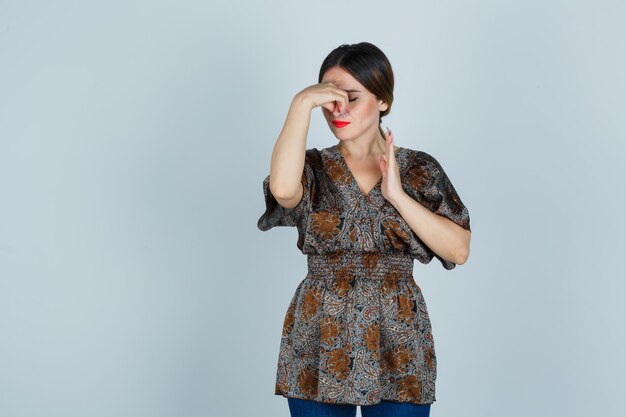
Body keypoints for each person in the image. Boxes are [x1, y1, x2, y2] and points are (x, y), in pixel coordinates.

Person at [257, 42, 471, 417]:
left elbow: (459, 250)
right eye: (328, 99)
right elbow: (283, 190)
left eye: (351, 98)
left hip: (398, 334)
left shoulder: (418, 168)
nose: (338, 110)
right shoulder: (312, 169)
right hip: (320, 332)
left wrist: (399, 196)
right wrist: (300, 103)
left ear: (383, 101)